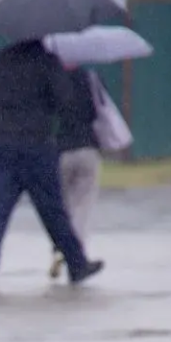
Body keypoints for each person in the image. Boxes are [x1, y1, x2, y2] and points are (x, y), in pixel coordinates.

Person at [0, 40, 105, 291]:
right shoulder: (46, 60)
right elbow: (64, 100)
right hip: (37, 144)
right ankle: (77, 264)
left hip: (3, 143)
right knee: (53, 210)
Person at [50, 66, 104, 280]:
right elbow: (99, 109)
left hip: (59, 149)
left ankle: (57, 249)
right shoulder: (89, 77)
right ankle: (76, 252)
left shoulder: (51, 77)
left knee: (60, 206)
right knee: (82, 205)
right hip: (87, 146)